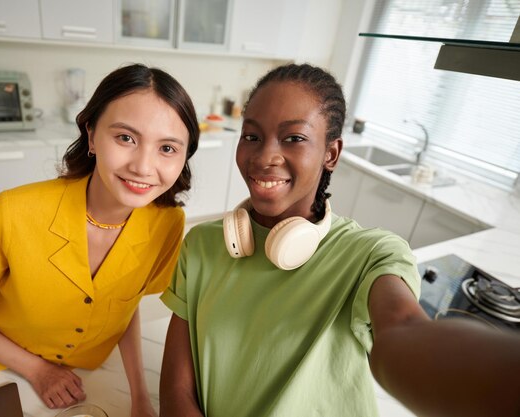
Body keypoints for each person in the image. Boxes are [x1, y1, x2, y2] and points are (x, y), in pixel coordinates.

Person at [159, 63, 520, 417]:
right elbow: (176, 389)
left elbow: (403, 332)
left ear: (330, 153)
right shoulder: (202, 245)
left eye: (294, 138)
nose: (265, 155)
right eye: (251, 136)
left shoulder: (371, 254)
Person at [0, 63, 199, 416]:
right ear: (92, 134)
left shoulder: (168, 222)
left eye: (168, 148)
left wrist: (140, 395)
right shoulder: (12, 211)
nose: (144, 167)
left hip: (91, 369)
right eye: (126, 138)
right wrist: (38, 370)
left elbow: (126, 308)